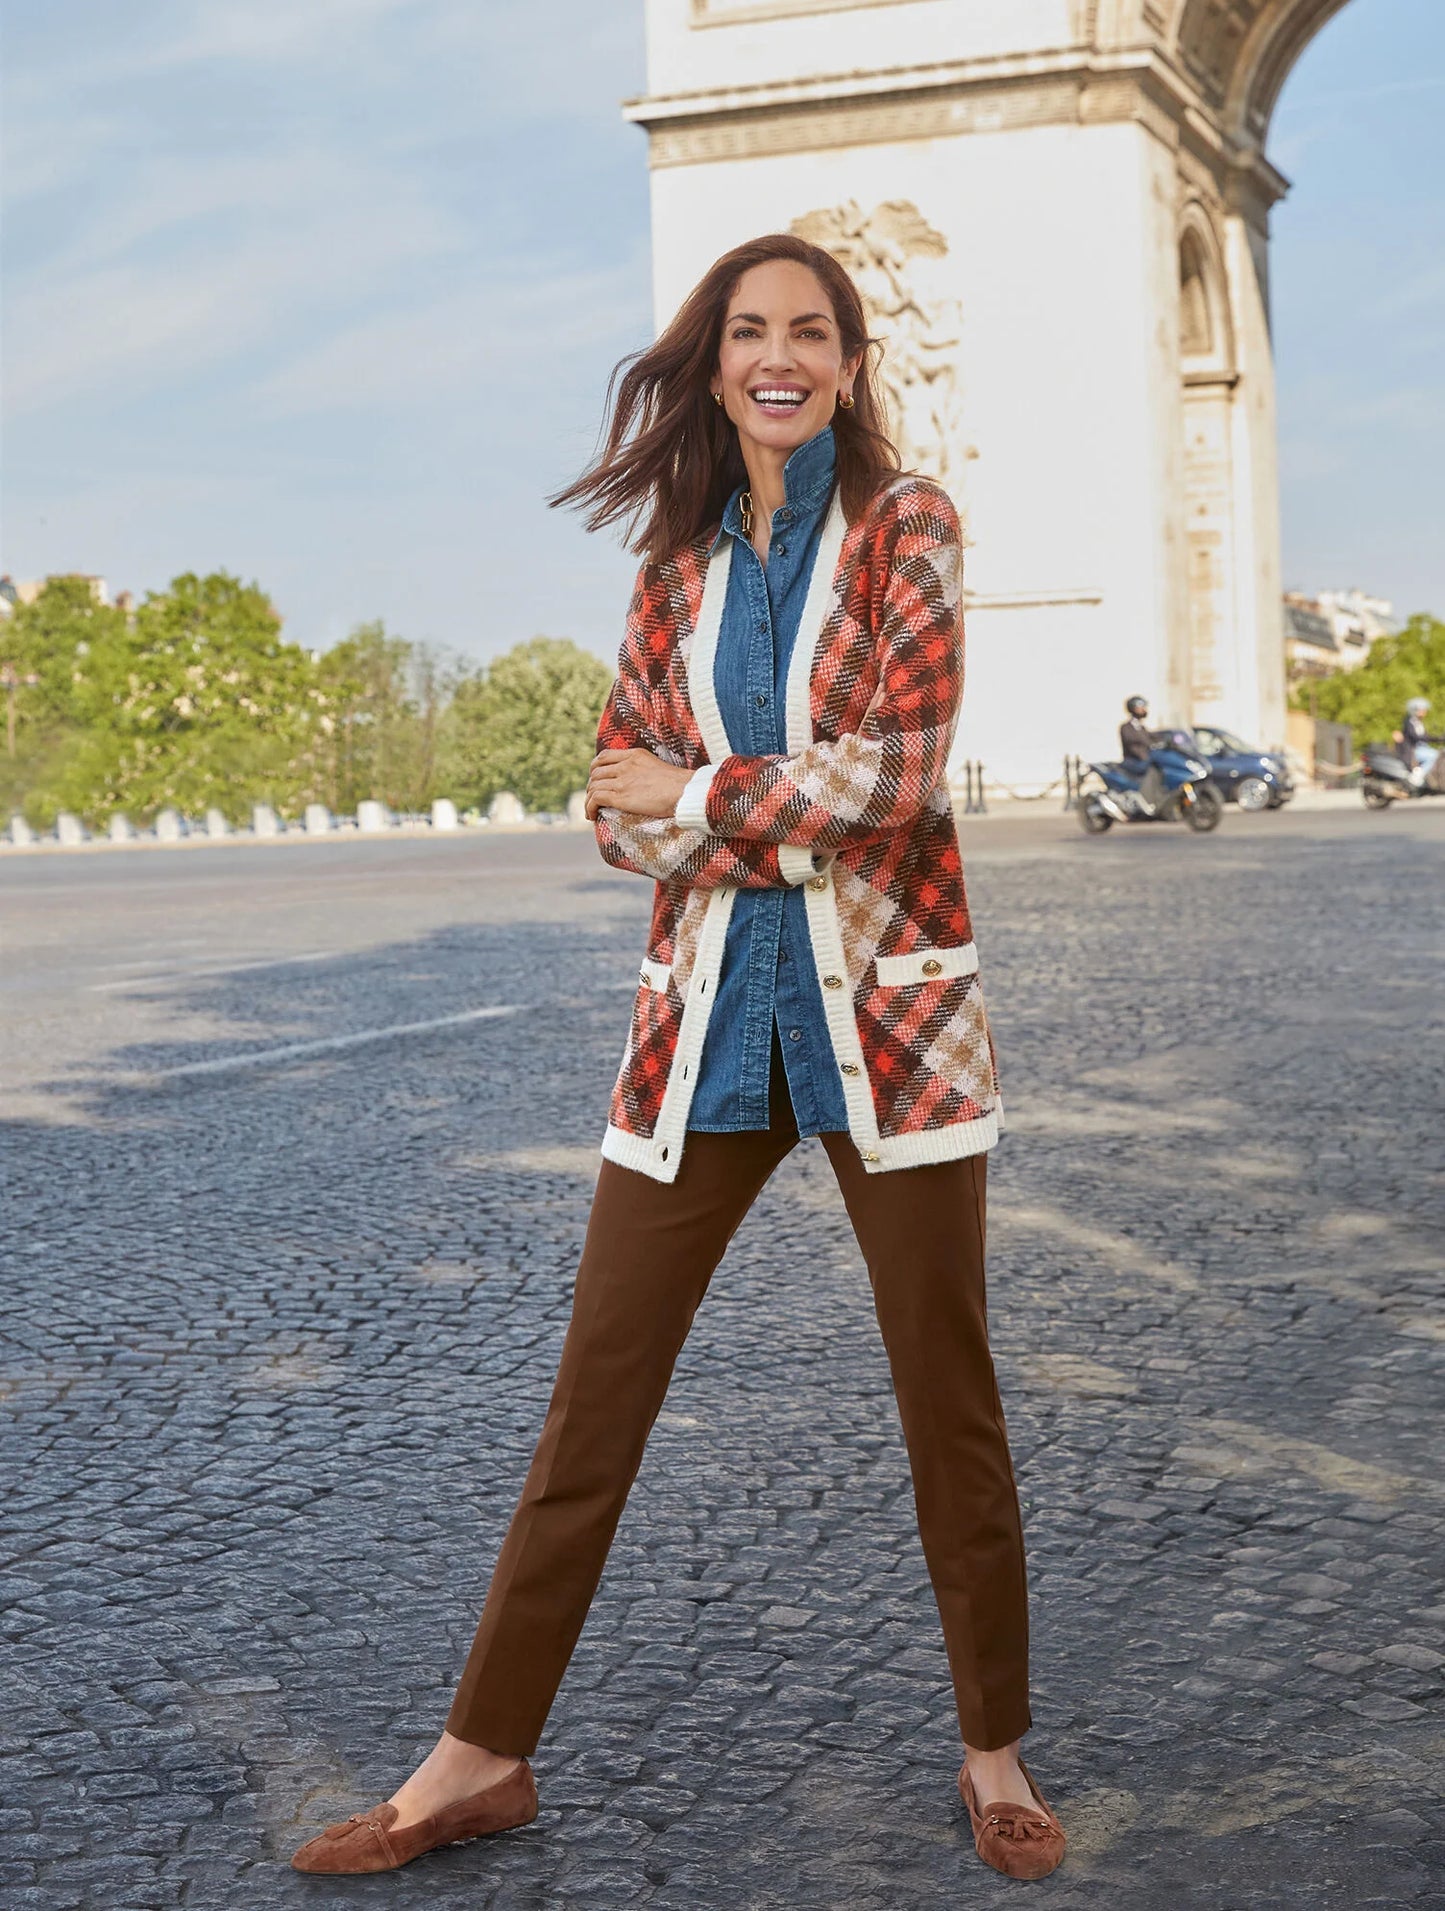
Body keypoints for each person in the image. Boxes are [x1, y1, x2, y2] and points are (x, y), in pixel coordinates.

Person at [290, 234, 1065, 1885]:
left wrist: (702, 799)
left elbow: (900, 777)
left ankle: (992, 1742)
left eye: (809, 332)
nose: (776, 356)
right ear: (712, 365)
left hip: (895, 1035)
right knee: (592, 1407)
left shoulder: (908, 524)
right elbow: (606, 814)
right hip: (701, 1036)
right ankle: (474, 1759)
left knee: (952, 1403)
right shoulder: (670, 568)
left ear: (851, 363)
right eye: (746, 333)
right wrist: (743, 811)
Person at [1399, 697, 1442, 782]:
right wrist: (1434, 738)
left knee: (1437, 753)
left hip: (1422, 748)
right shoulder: (1409, 722)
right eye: (1422, 709)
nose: (1425, 712)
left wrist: (1439, 738)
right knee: (1434, 755)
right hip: (1413, 750)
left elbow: (1425, 736)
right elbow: (1417, 737)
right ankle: (1418, 775)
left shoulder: (1418, 722)